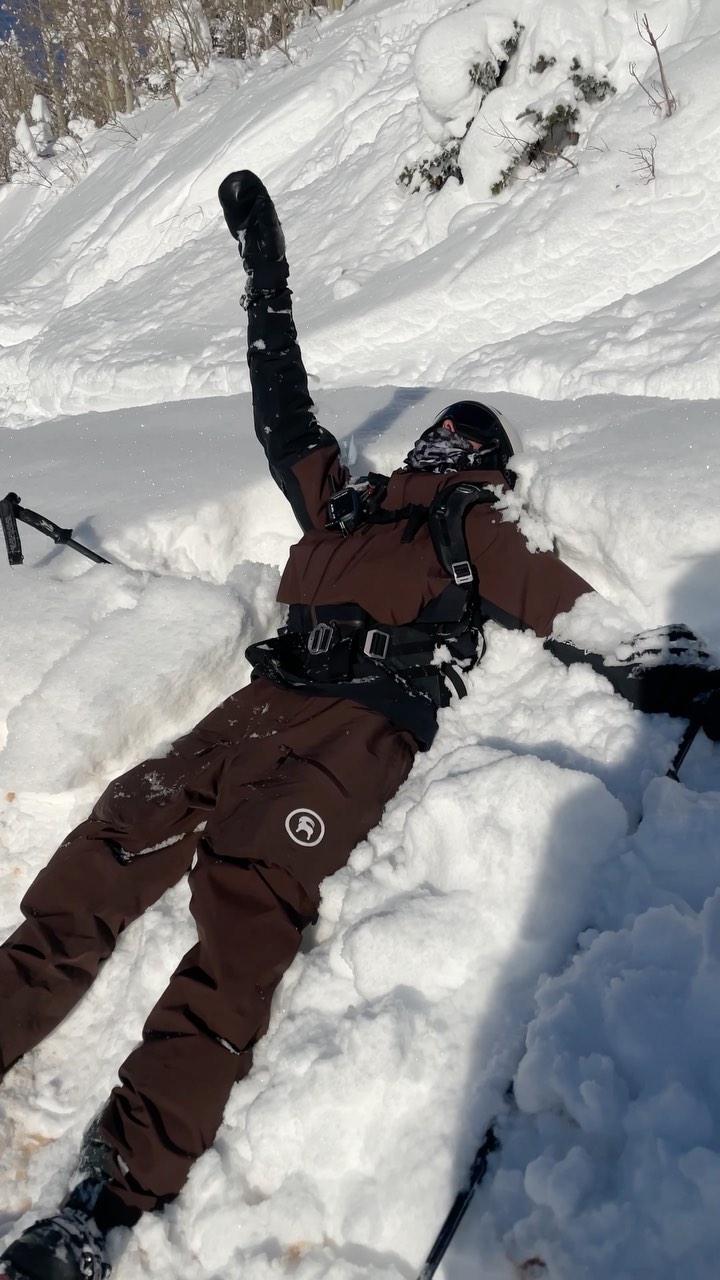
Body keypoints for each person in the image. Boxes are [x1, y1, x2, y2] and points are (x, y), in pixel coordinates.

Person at [0, 172, 718, 1280]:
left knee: (246, 901)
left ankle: (109, 1193)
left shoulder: (474, 525)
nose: (438, 444)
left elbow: (569, 611)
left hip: (358, 729)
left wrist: (665, 667)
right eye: (437, 432)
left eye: (459, 436)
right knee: (111, 837)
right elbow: (282, 411)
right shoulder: (343, 500)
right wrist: (266, 274)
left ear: (481, 460)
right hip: (258, 702)